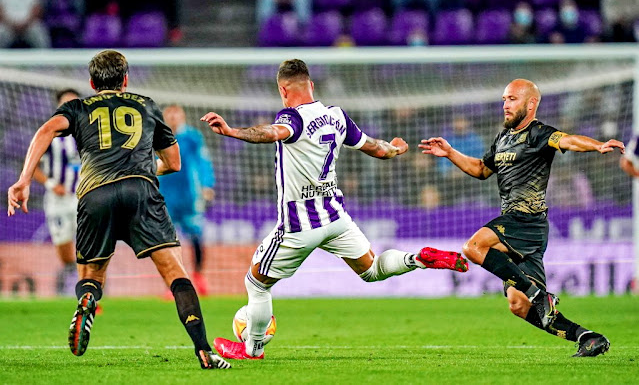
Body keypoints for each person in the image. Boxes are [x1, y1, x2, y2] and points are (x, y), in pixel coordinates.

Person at [201, 59, 469, 360]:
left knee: (256, 283)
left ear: (283, 90)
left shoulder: (292, 117)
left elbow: (273, 132)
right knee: (372, 269)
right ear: (311, 85)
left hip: (299, 224)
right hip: (336, 217)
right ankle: (418, 259)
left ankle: (253, 348)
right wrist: (395, 149)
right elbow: (376, 148)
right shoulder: (337, 116)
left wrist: (232, 131)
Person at [7, 50, 230, 370]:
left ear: (91, 82)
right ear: (125, 80)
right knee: (175, 272)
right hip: (141, 192)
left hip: (95, 194)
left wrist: (24, 180)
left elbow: (45, 132)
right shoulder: (147, 105)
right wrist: (141, 167)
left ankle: (88, 299)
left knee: (91, 276)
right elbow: (174, 163)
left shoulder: (77, 107)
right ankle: (204, 350)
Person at [420, 79, 625, 357]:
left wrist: (597, 145)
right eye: (504, 98)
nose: (505, 104)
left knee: (474, 247)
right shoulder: (503, 138)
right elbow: (481, 169)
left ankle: (541, 297)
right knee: (518, 305)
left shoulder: (539, 133)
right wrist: (451, 153)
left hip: (527, 221)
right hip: (518, 225)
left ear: (531, 104)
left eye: (512, 99)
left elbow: (567, 140)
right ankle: (588, 337)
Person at [159, 105, 215, 295]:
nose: (173, 118)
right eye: (170, 115)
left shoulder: (192, 137)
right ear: (165, 117)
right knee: (167, 242)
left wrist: (207, 185)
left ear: (182, 117)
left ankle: (199, 276)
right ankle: (173, 283)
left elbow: (203, 161)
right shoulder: (157, 136)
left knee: (196, 237)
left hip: (189, 197)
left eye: (177, 115)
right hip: (165, 197)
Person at [32, 89, 81, 295]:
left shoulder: (88, 133)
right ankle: (71, 280)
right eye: (65, 102)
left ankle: (88, 289)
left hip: (83, 197)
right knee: (63, 247)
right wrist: (52, 185)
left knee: (90, 243)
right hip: (57, 199)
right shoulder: (49, 132)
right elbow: (32, 166)